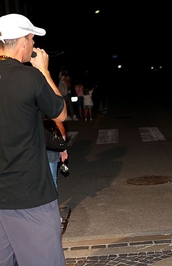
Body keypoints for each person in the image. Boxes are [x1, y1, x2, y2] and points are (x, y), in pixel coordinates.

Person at [0, 13, 67, 266]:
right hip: (29, 194)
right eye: (31, 38)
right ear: (22, 42)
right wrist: (44, 71)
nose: (33, 44)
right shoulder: (30, 78)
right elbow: (60, 112)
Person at [46, 119, 68, 190]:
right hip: (50, 148)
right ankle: (53, 200)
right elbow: (61, 129)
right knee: (52, 179)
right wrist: (63, 149)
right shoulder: (51, 112)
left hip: (34, 149)